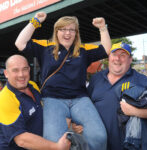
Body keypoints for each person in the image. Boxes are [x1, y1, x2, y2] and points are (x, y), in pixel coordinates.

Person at [15, 11, 111, 150]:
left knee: (99, 136)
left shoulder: (82, 50)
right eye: (63, 29)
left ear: (76, 33)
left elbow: (106, 50)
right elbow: (20, 43)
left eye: (71, 29)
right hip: (52, 100)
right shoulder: (46, 46)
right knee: (54, 142)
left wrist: (102, 28)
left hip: (80, 99)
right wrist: (35, 21)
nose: (67, 33)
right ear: (56, 31)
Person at [87, 42, 147, 150]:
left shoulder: (142, 81)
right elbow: (85, 105)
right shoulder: (96, 79)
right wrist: (79, 123)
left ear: (130, 60)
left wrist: (135, 112)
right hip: (98, 145)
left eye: (123, 55)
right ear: (109, 57)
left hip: (130, 146)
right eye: (114, 54)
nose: (117, 59)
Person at [0, 55, 70, 150]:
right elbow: (21, 139)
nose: (21, 75)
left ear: (29, 69)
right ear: (6, 73)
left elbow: (43, 111)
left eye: (24, 69)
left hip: (42, 144)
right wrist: (56, 147)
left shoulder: (33, 86)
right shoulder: (4, 99)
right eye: (15, 70)